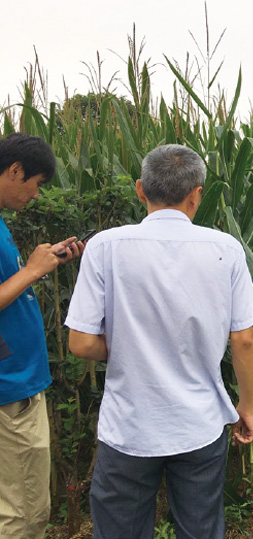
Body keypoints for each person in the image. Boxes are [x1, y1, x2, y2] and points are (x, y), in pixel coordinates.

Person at [65, 144, 253, 539]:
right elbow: (242, 339)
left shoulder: (106, 247)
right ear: (197, 194)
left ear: (141, 190)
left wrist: (120, 344)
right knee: (200, 529)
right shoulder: (226, 249)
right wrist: (247, 405)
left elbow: (82, 344)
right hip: (199, 424)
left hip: (129, 427)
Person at [0, 133, 84, 539]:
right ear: (15, 170)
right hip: (8, 392)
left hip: (16, 386)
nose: (35, 196)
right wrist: (32, 270)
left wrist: (44, 262)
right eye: (36, 184)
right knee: (22, 515)